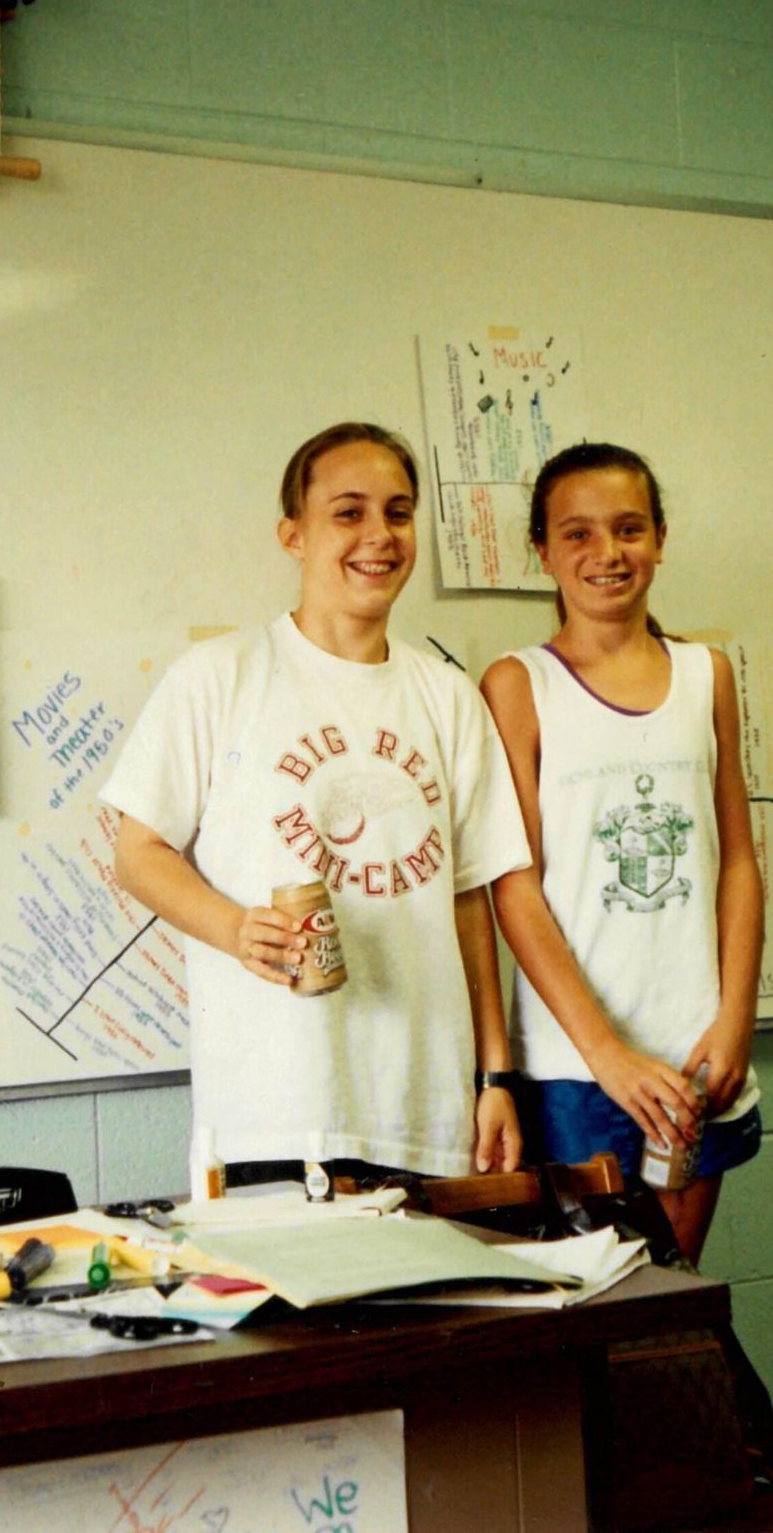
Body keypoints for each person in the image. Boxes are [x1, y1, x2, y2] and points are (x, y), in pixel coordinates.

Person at [102, 422, 531, 1184]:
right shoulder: (221, 674)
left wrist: (494, 1076)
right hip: (272, 1111)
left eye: (398, 513)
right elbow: (137, 853)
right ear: (293, 534)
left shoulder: (448, 696)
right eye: (348, 512)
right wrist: (234, 928)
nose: (379, 535)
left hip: (427, 1117)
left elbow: (470, 899)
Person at [478, 442, 764, 1264]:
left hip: (697, 1054)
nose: (607, 552)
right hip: (578, 1064)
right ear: (543, 551)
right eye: (578, 533)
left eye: (629, 528)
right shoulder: (518, 683)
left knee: (676, 1292)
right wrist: (606, 1055)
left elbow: (738, 861)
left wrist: (735, 1018)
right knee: (597, 1300)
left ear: (661, 538)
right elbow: (515, 889)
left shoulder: (707, 673)